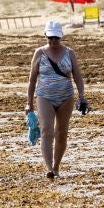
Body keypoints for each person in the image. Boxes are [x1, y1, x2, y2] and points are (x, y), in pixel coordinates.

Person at [26, 22, 89, 180]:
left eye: (56, 37)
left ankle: (56, 167)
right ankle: (49, 168)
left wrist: (81, 96)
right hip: (44, 96)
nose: (53, 40)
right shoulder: (39, 53)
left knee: (61, 133)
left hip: (66, 97)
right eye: (50, 37)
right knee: (47, 130)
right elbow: (32, 80)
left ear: (61, 36)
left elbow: (78, 76)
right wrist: (29, 103)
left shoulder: (69, 53)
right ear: (45, 35)